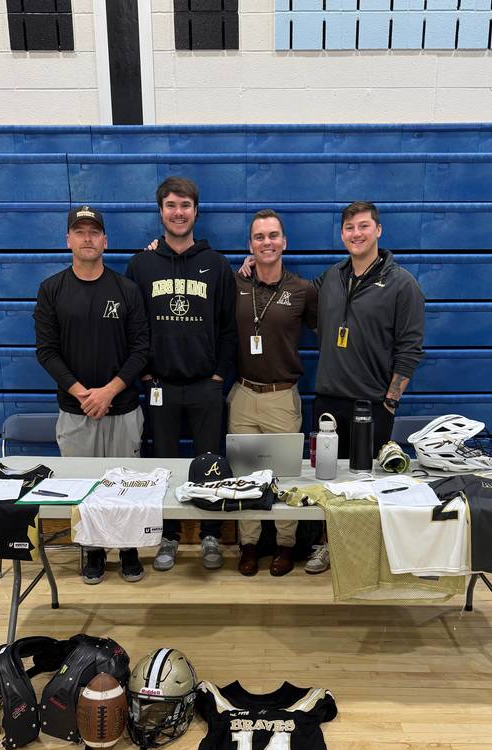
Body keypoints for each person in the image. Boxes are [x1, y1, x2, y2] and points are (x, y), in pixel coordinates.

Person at [126, 176, 237, 572]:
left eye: (185, 205)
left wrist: (220, 376)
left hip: (206, 385)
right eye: (171, 205)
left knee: (210, 464)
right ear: (161, 211)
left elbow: (228, 327)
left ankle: (209, 533)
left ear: (196, 211)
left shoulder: (217, 265)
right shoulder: (141, 264)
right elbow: (133, 327)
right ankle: (169, 536)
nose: (178, 212)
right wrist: (144, 375)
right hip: (161, 387)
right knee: (164, 465)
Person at [34, 205, 150, 585]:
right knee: (84, 489)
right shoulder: (52, 290)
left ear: (105, 240)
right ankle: (94, 553)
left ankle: (129, 549)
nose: (87, 238)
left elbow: (141, 349)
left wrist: (110, 391)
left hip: (123, 408)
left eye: (93, 232)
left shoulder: (126, 289)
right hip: (76, 409)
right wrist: (85, 394)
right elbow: (46, 351)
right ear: (68, 240)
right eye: (79, 231)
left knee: (125, 485)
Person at [307, 201, 425, 574]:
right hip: (327, 399)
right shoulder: (330, 278)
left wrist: (390, 400)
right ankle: (326, 546)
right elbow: (289, 296)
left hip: (372, 404)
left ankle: (364, 554)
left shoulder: (402, 283)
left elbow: (410, 348)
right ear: (341, 235)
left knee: (369, 485)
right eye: (349, 228)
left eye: (363, 226)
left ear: (378, 230)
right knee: (326, 482)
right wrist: (250, 267)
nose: (356, 234)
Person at [231, 209, 317, 578]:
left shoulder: (302, 290)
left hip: (283, 396)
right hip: (243, 394)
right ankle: (248, 545)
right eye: (259, 237)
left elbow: (328, 332)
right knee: (244, 477)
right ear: (250, 245)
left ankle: (285, 545)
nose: (267, 242)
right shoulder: (236, 283)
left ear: (284, 242)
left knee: (284, 477)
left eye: (273, 236)